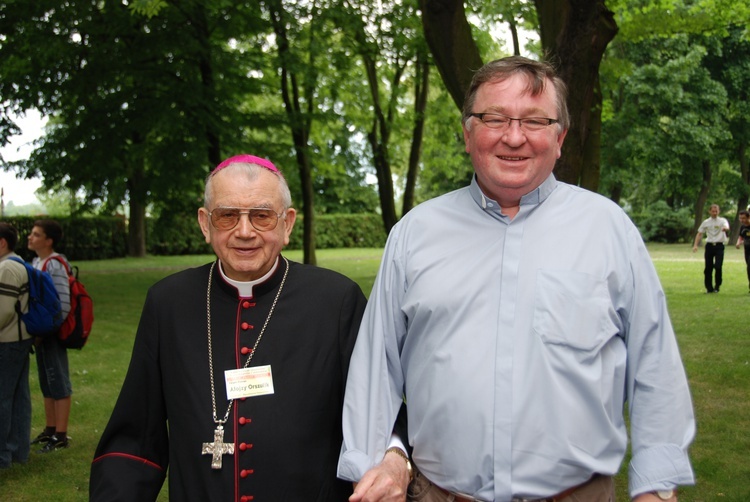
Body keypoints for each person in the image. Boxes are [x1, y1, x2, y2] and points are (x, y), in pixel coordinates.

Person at [338, 56, 695, 502]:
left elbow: (654, 364)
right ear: (467, 134)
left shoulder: (608, 230)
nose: (513, 136)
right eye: (494, 118)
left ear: (560, 138)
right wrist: (371, 466)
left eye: (535, 121)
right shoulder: (414, 234)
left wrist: (655, 486)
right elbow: (377, 367)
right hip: (439, 494)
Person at [90, 154, 368, 501]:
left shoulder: (336, 300)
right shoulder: (168, 303)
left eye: (262, 215)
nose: (245, 231)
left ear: (288, 224)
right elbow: (136, 435)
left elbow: (374, 412)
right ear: (206, 224)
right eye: (228, 215)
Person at [26, 219, 73, 452]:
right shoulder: (36, 261)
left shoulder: (54, 264)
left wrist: (48, 330)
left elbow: (62, 302)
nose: (30, 237)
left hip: (51, 332)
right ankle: (50, 428)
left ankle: (61, 434)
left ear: (48, 240)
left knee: (59, 380)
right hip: (41, 332)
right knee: (47, 380)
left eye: (35, 234)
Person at [0, 223, 34, 469]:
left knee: (3, 398)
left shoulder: (8, 268)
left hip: (8, 341)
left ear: (2, 242)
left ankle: (3, 456)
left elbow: (2, 312)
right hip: (18, 340)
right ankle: (18, 451)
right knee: (18, 397)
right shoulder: (17, 263)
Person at [692, 204, 730, 293]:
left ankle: (717, 286)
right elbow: (699, 233)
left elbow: (727, 226)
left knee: (718, 266)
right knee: (708, 267)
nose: (714, 213)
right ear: (709, 211)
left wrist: (725, 229)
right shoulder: (706, 222)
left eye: (716, 211)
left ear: (719, 211)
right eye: (713, 211)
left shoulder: (722, 221)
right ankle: (709, 288)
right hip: (709, 246)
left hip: (719, 246)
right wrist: (695, 245)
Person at [735, 209, 750, 292]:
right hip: (747, 250)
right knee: (748, 267)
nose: (742, 220)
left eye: (743, 218)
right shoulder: (743, 227)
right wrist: (738, 243)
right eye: (740, 218)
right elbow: (741, 236)